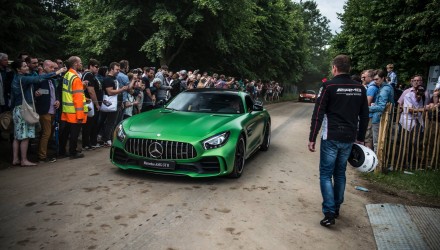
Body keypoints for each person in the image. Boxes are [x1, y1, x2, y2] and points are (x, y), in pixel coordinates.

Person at [308, 55, 369, 227]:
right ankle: (336, 208)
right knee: (340, 173)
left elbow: (318, 113)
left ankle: (329, 212)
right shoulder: (360, 88)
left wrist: (312, 137)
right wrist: (360, 138)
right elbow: (364, 115)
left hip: (331, 136)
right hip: (349, 137)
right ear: (349, 68)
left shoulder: (328, 86)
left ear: (334, 68)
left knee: (326, 174)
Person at [10, 59, 66, 166]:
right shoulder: (22, 78)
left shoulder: (17, 78)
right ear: (18, 69)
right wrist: (57, 72)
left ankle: (16, 159)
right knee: (25, 136)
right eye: (25, 66)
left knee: (18, 136)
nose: (27, 67)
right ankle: (24, 160)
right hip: (24, 109)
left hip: (18, 108)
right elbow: (37, 79)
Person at [59, 56, 89, 159]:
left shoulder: (67, 75)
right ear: (75, 64)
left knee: (65, 132)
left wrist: (82, 85)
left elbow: (70, 92)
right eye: (80, 62)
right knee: (74, 133)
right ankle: (73, 152)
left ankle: (62, 151)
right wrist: (80, 115)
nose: (81, 64)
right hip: (74, 112)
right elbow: (78, 98)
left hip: (67, 110)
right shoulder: (75, 78)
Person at [35, 60, 60, 163]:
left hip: (53, 110)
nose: (53, 70)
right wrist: (36, 93)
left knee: (48, 133)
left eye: (54, 68)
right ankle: (42, 156)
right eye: (51, 67)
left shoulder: (52, 80)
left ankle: (44, 153)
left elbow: (55, 93)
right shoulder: (40, 79)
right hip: (44, 110)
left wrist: (58, 100)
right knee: (47, 133)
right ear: (44, 67)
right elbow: (35, 92)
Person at [100, 62, 128, 146]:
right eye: (117, 69)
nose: (118, 71)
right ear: (111, 69)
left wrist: (121, 102)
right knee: (110, 122)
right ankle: (106, 139)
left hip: (117, 103)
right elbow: (110, 92)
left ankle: (109, 138)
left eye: (119, 69)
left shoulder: (114, 78)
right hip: (111, 104)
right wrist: (122, 90)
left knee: (114, 122)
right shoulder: (108, 79)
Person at [369, 69, 394, 153]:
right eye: (374, 79)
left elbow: (381, 107)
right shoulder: (383, 88)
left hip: (380, 119)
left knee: (378, 143)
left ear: (383, 78)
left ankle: (377, 165)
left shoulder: (385, 89)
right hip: (380, 118)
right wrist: (374, 105)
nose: (375, 81)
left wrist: (366, 108)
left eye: (377, 79)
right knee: (378, 143)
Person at [81, 59, 101, 150]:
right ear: (91, 66)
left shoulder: (91, 75)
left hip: (90, 102)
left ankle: (89, 142)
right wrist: (97, 104)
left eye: (98, 67)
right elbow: (91, 91)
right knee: (89, 124)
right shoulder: (88, 75)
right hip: (89, 102)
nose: (98, 69)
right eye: (96, 67)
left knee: (91, 123)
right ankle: (86, 143)